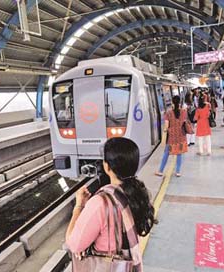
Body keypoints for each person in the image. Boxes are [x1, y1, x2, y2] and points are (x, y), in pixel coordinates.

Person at [65, 137, 155, 271]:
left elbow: (73, 244)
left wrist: (79, 207)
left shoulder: (101, 202)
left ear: (107, 167)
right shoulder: (136, 193)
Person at [155, 95, 188, 177]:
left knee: (166, 153)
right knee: (179, 154)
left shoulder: (168, 113)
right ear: (180, 102)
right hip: (181, 136)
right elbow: (184, 122)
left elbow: (166, 125)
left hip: (171, 138)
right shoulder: (184, 112)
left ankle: (160, 171)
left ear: (172, 102)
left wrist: (165, 131)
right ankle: (178, 172)